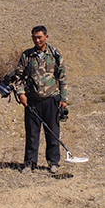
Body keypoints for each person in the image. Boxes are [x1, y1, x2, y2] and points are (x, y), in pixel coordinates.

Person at [15, 25, 68, 174]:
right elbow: (18, 77)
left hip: (52, 99)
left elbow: (62, 77)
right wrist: (21, 94)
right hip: (32, 100)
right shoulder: (27, 55)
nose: (37, 40)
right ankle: (30, 163)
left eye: (39, 37)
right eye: (34, 37)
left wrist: (63, 98)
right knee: (32, 133)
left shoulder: (55, 54)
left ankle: (53, 162)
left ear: (46, 37)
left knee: (52, 132)